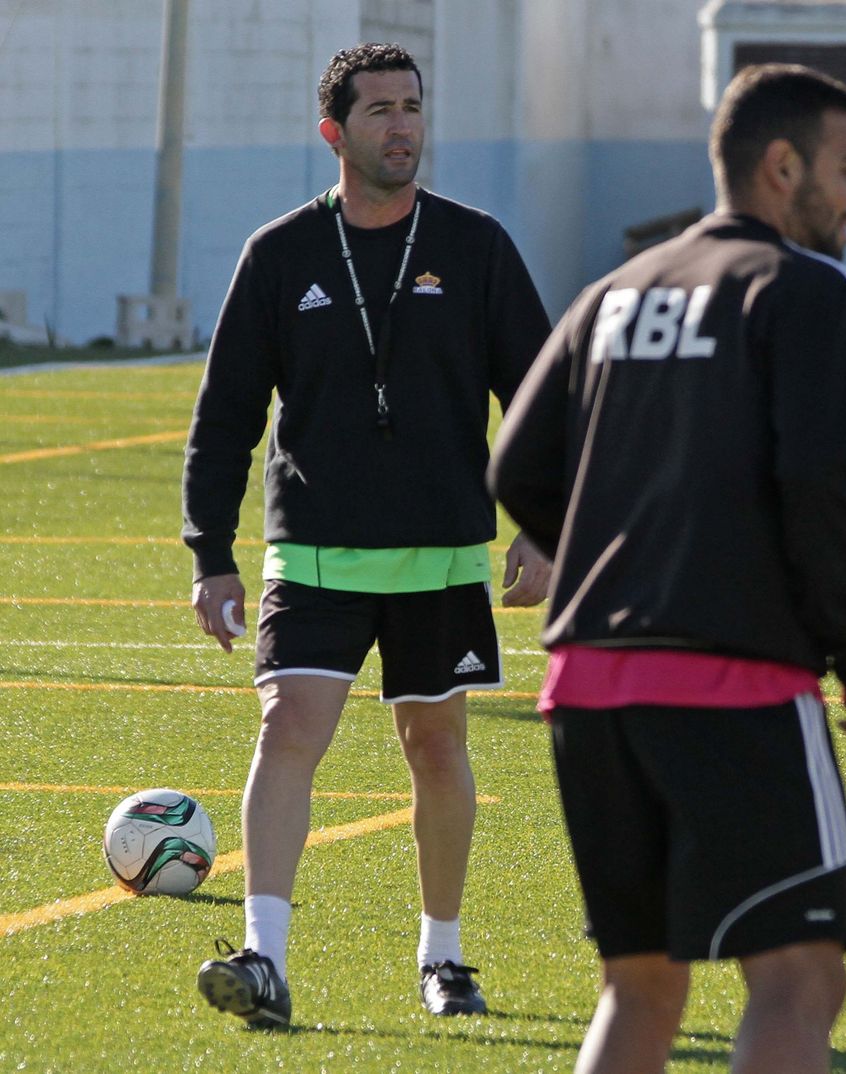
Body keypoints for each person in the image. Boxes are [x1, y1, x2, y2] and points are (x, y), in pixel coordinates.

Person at [487, 63, 846, 1074]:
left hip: (587, 686)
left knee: (641, 986)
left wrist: (617, 556)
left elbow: (517, 466)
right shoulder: (808, 294)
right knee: (799, 979)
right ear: (783, 166)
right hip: (733, 682)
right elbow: (820, 487)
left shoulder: (614, 293)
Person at [181, 42, 552, 1028]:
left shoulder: (475, 246)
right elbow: (225, 417)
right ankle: (264, 957)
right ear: (334, 133)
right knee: (287, 730)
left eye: (412, 107)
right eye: (381, 110)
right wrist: (210, 555)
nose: (402, 127)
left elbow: (539, 397)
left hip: (440, 552)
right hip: (314, 550)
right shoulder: (280, 254)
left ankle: (444, 958)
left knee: (435, 746)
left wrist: (545, 524)